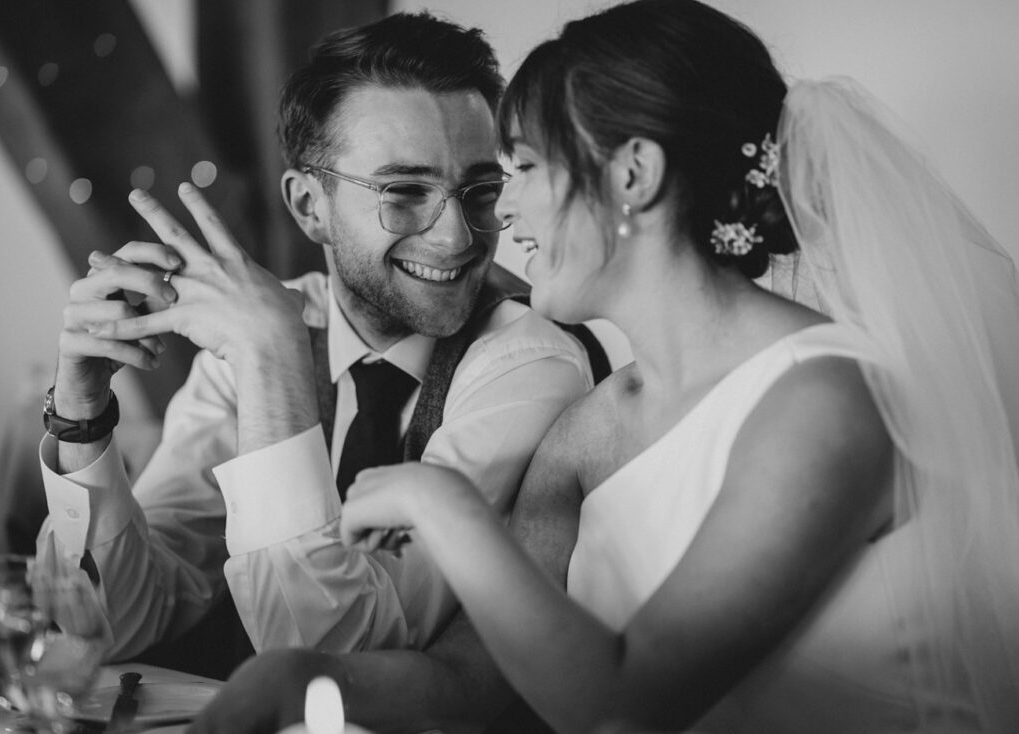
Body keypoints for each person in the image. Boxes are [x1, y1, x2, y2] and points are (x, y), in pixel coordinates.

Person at [192, 0, 1019, 732]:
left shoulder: (827, 401)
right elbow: (469, 682)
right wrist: (298, 675)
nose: (496, 214)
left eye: (522, 168)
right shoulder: (590, 429)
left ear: (632, 175)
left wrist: (439, 504)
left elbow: (629, 705)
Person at [33, 10, 596, 672]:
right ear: (308, 206)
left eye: (479, 191)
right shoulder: (264, 331)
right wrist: (79, 415)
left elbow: (335, 649)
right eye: (405, 191)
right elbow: (113, 622)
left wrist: (273, 361)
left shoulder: (527, 366)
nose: (456, 238)